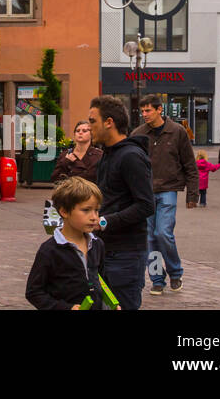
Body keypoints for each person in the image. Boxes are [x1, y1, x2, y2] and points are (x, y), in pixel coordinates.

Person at [88, 95, 155, 310]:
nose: (89, 127)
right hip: (105, 249)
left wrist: (105, 222)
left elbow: (146, 205)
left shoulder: (131, 156)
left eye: (92, 121)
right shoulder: (106, 156)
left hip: (126, 254)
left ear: (109, 122)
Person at [132, 94, 199, 295]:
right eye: (142, 111)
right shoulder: (138, 134)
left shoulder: (177, 132)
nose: (144, 114)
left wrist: (192, 195)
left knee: (163, 233)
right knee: (149, 238)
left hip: (168, 189)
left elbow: (190, 165)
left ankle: (175, 272)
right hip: (144, 192)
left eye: (148, 110)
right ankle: (157, 279)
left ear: (159, 110)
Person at [25, 176, 108, 310]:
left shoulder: (97, 244)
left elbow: (102, 282)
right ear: (64, 211)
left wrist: (109, 305)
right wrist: (64, 307)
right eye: (86, 210)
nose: (94, 217)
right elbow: (34, 292)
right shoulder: (50, 250)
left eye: (96, 210)